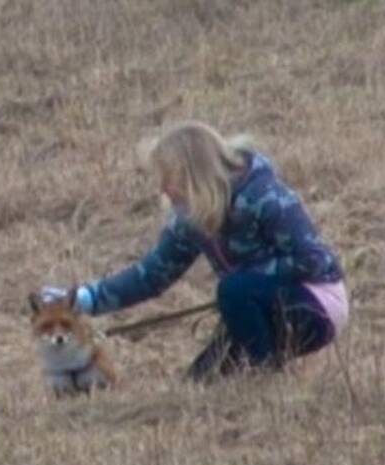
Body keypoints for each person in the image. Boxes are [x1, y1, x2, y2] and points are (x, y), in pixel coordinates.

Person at [45, 121, 348, 382]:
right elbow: (151, 276)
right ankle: (258, 369)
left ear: (194, 172)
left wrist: (247, 281)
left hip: (317, 307)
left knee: (234, 289)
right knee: (200, 381)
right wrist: (84, 299)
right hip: (254, 306)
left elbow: (316, 261)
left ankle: (266, 376)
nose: (163, 188)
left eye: (169, 176)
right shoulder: (193, 217)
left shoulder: (265, 196)